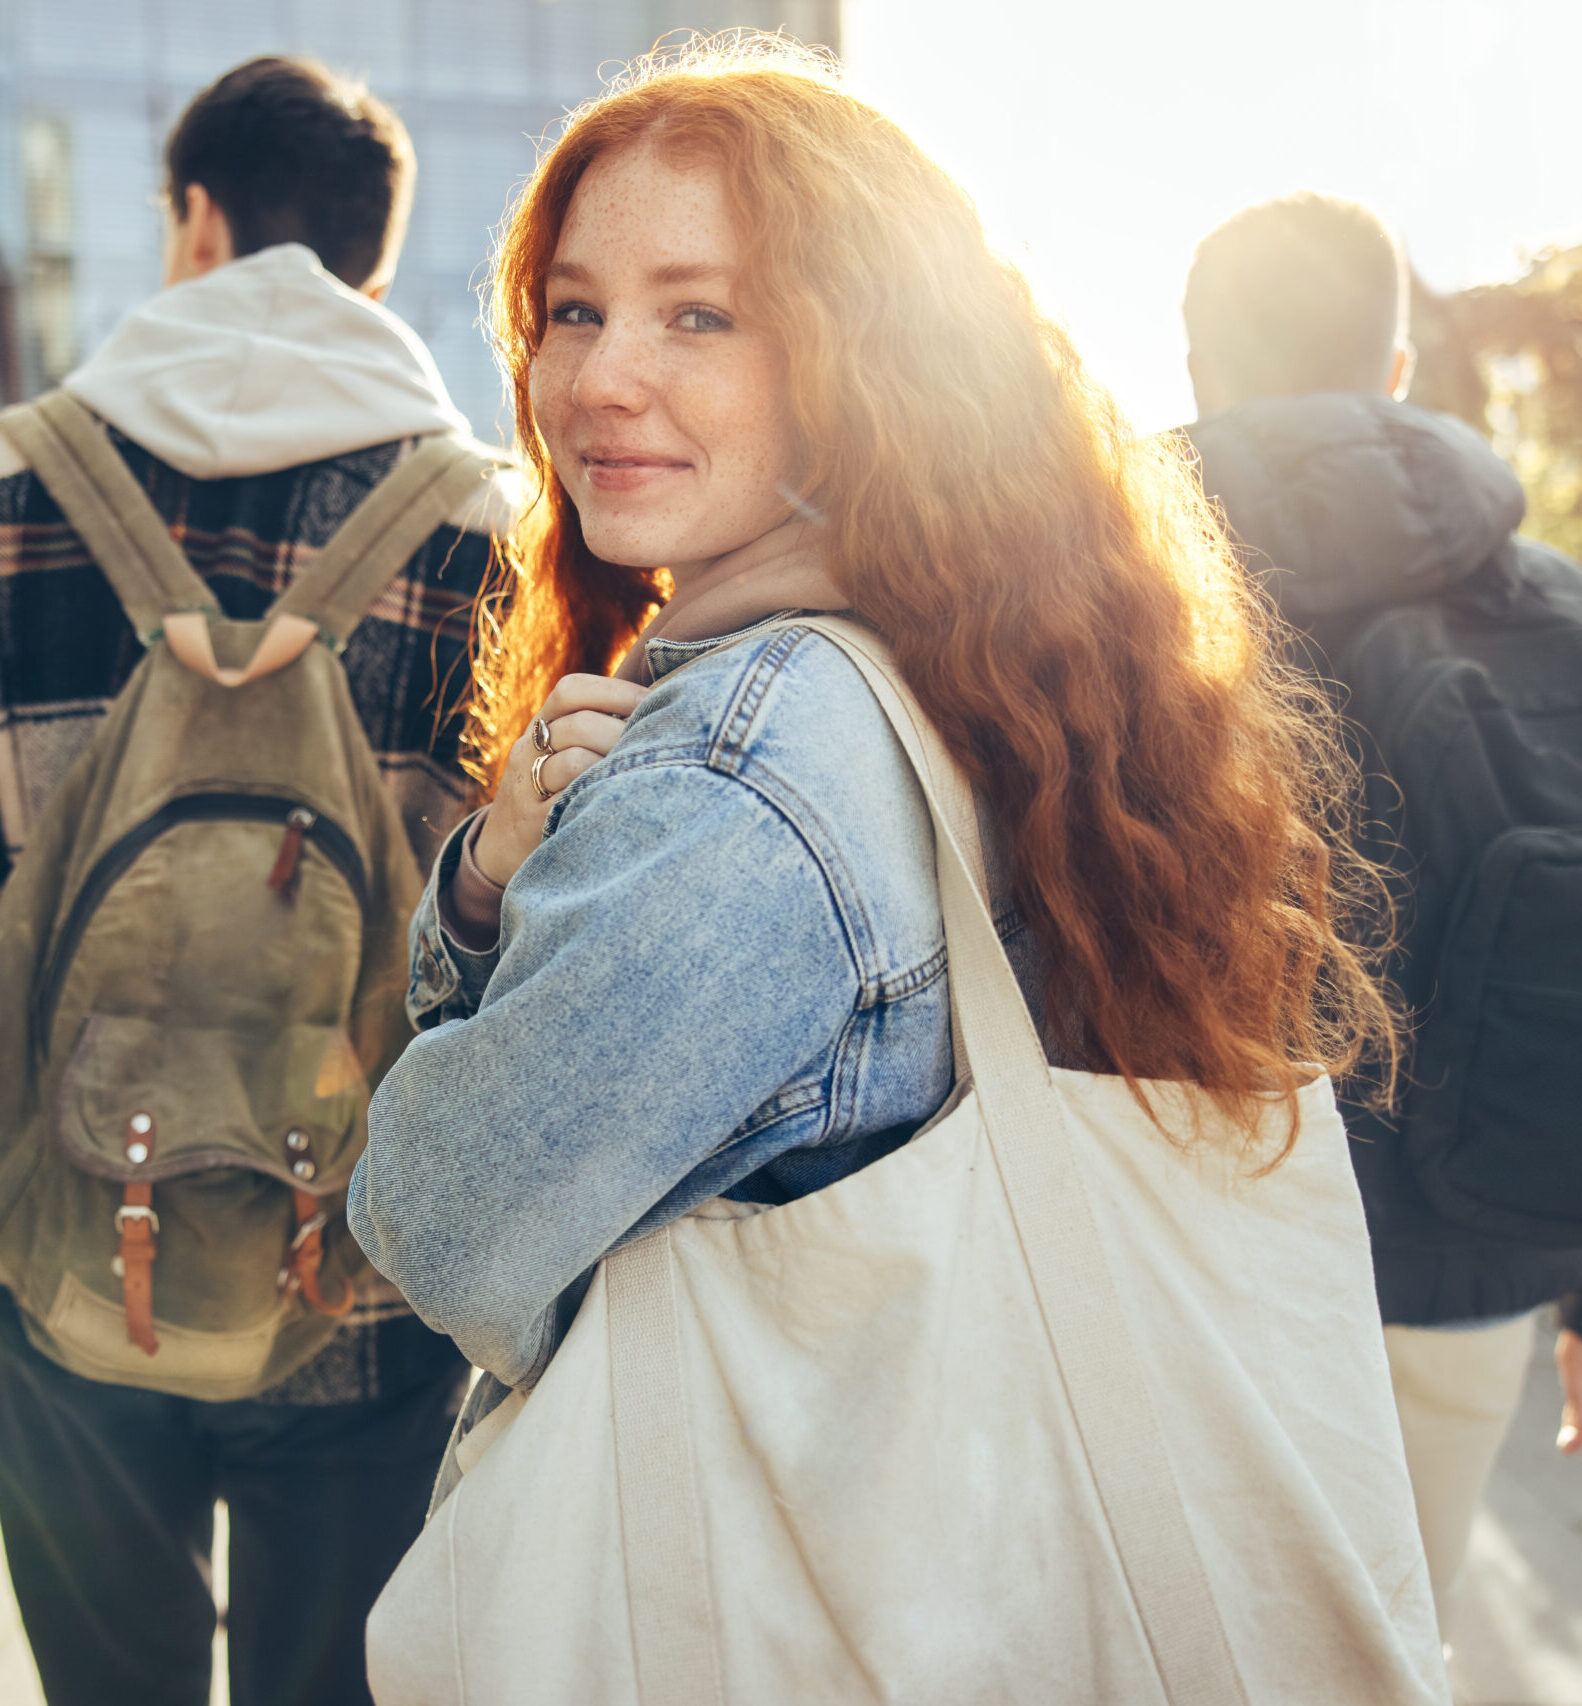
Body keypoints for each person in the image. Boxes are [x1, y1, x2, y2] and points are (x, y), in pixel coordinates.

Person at [348, 40, 1439, 1698]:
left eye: (697, 315)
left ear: (862, 355)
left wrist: (478, 896)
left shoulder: (746, 762)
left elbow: (438, 1221)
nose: (597, 379)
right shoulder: (978, 658)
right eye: (572, 310)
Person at [0, 56, 514, 1706]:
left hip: (64, 1241)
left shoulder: (17, 491)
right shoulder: (483, 527)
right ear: (371, 260)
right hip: (359, 1262)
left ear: (195, 220)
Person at [1181, 191, 1582, 1628]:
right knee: (1403, 1639)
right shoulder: (1555, 606)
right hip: (1474, 1253)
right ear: (1396, 372)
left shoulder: (1114, 616)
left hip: (1189, 1255)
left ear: (1198, 370)